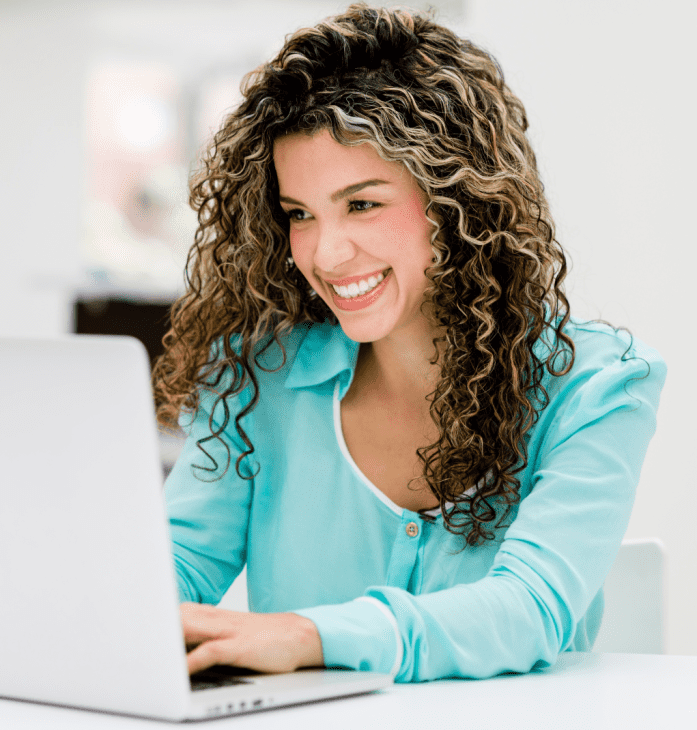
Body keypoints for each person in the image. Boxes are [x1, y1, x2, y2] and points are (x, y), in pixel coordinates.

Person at [151, 3, 666, 683]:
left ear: (460, 202)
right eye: (299, 214)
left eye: (362, 203)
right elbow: (176, 568)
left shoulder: (595, 386)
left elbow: (531, 607)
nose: (327, 253)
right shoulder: (255, 379)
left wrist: (311, 636)